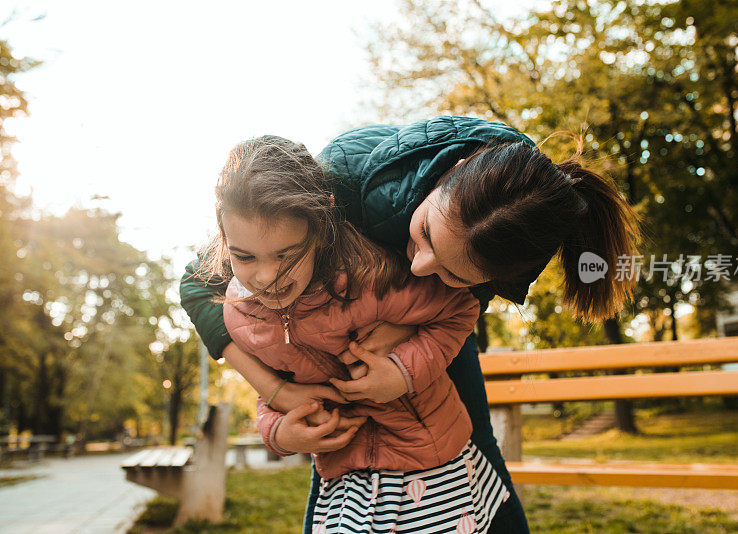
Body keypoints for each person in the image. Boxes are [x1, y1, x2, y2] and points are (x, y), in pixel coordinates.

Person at [181, 116, 641, 533]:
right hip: (331, 340)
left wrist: (403, 357)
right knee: (338, 457)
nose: (421, 265)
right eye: (422, 235)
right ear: (451, 174)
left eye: (452, 271)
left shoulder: (522, 228)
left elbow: (459, 308)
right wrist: (278, 392)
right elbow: (196, 283)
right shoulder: (333, 184)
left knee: (473, 441)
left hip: (431, 329)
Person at [211, 136, 510, 533]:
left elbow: (458, 309)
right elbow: (275, 389)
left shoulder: (369, 278)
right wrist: (279, 433)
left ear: (320, 229)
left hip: (428, 461)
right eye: (244, 257)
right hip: (346, 481)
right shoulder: (241, 315)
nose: (267, 277)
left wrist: (402, 371)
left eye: (287, 255)